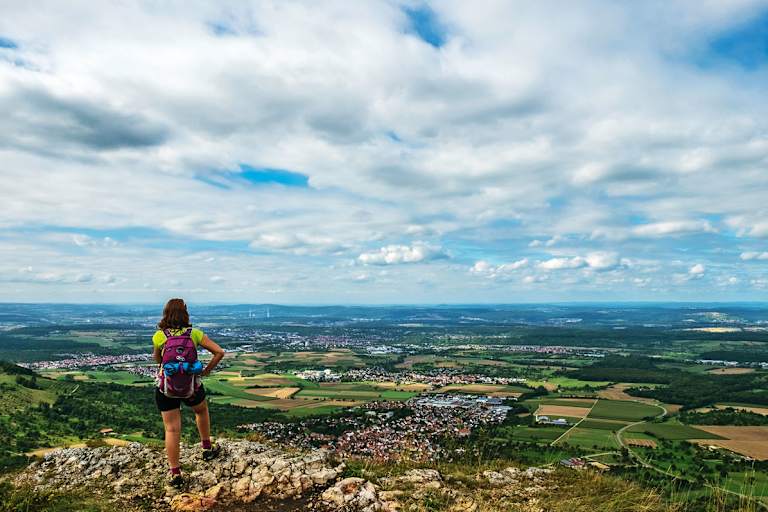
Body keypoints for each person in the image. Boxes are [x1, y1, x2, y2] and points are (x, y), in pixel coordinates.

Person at [153, 298, 226, 487]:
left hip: (166, 388)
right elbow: (219, 352)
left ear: (166, 314)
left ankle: (176, 474)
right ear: (185, 314)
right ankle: (207, 448)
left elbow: (157, 361)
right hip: (191, 386)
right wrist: (206, 370)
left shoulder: (160, 336)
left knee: (171, 429)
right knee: (201, 411)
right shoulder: (195, 334)